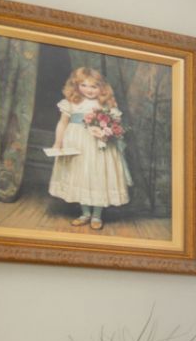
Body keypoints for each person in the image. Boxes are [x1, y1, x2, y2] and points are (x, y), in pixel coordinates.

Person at [47, 66, 132, 229]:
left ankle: (97, 215)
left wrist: (106, 132)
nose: (89, 90)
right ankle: (85, 213)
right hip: (77, 144)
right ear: (76, 85)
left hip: (99, 145)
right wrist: (58, 142)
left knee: (97, 176)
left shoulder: (106, 103)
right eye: (84, 85)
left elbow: (116, 124)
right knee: (80, 175)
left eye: (94, 86)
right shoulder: (71, 102)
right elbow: (62, 123)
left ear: (102, 87)